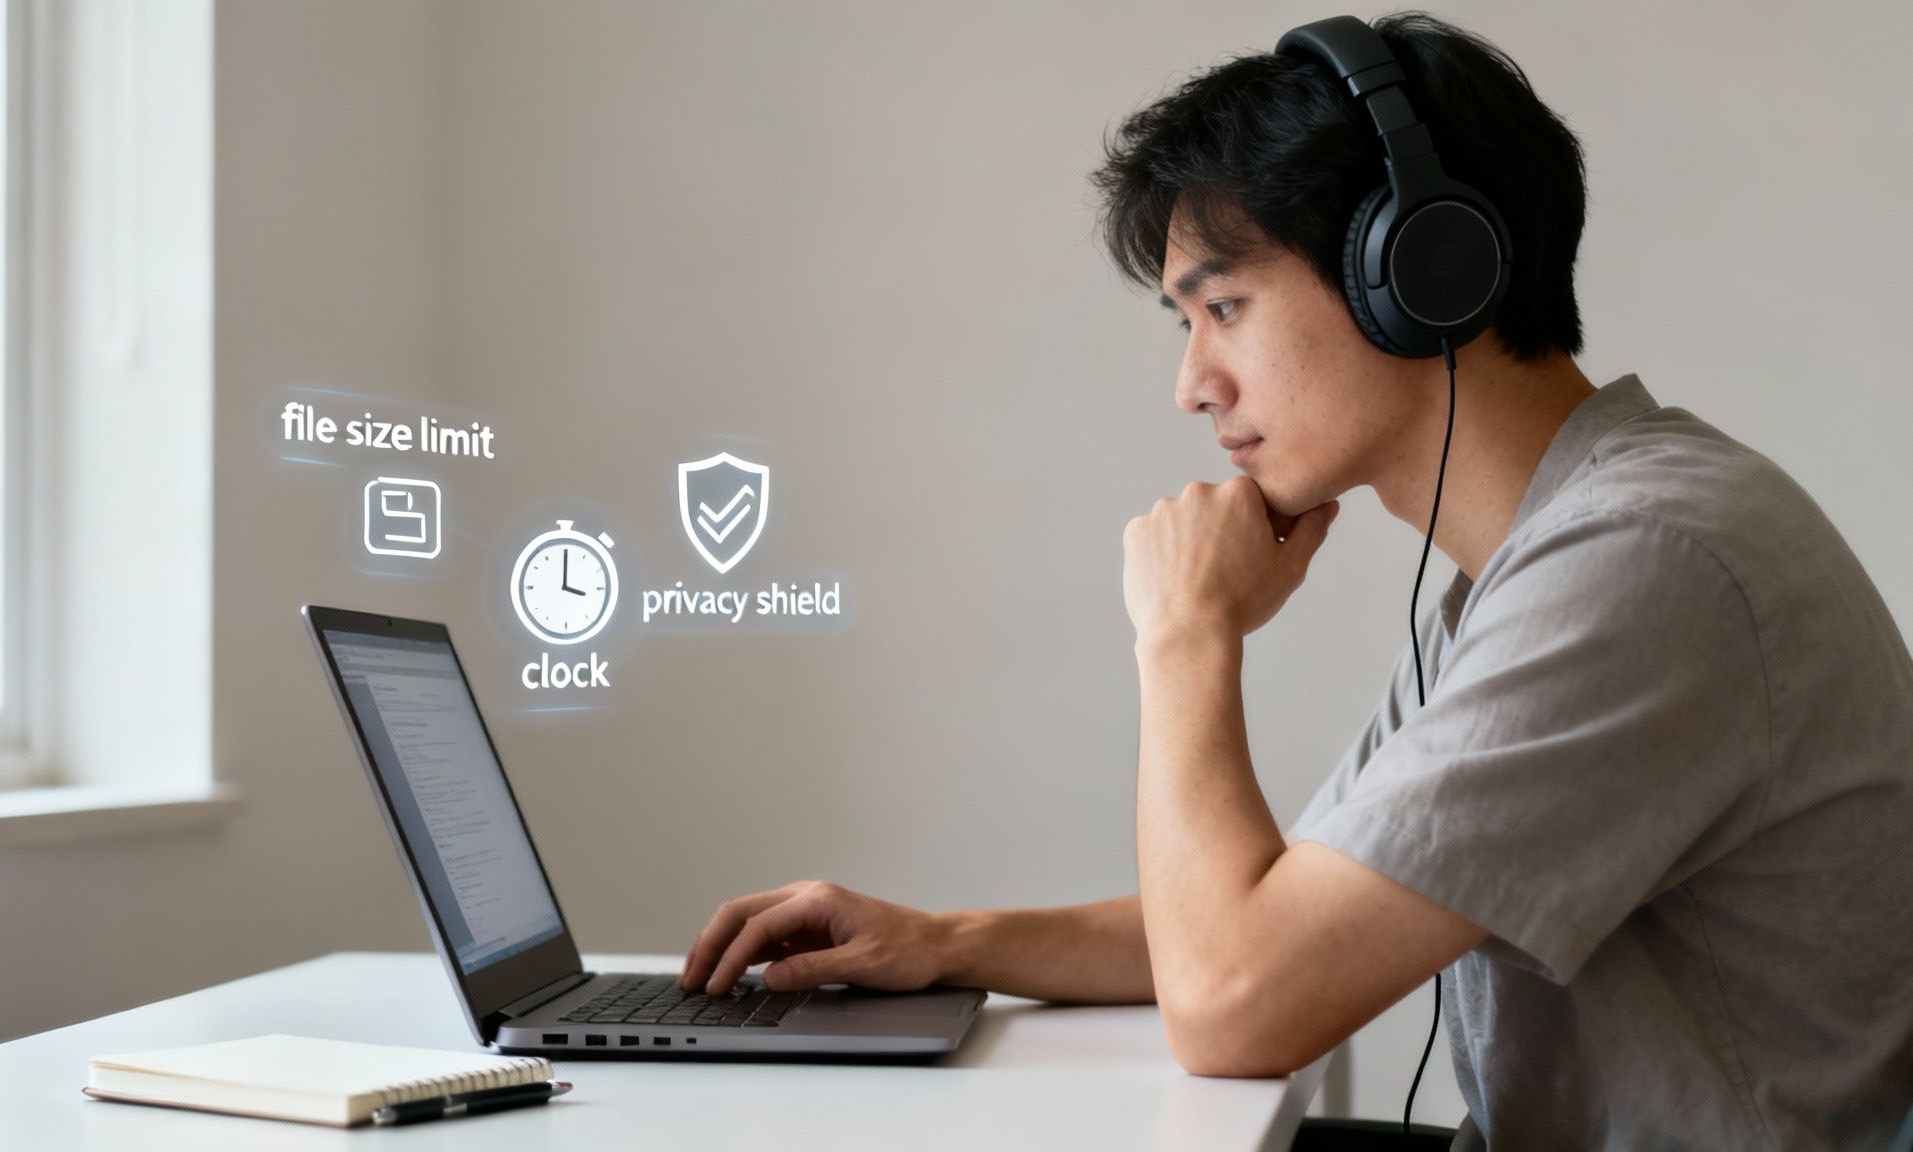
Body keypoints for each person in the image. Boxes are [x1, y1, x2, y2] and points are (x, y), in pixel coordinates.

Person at [677, 12, 1913, 1150]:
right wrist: (949, 943)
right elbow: (1271, 913)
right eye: (1184, 323)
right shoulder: (1546, 560)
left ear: (1420, 274)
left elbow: (1234, 1002)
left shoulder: (1642, 564)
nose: (1192, 383)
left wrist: (1184, 632)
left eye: (1222, 306)